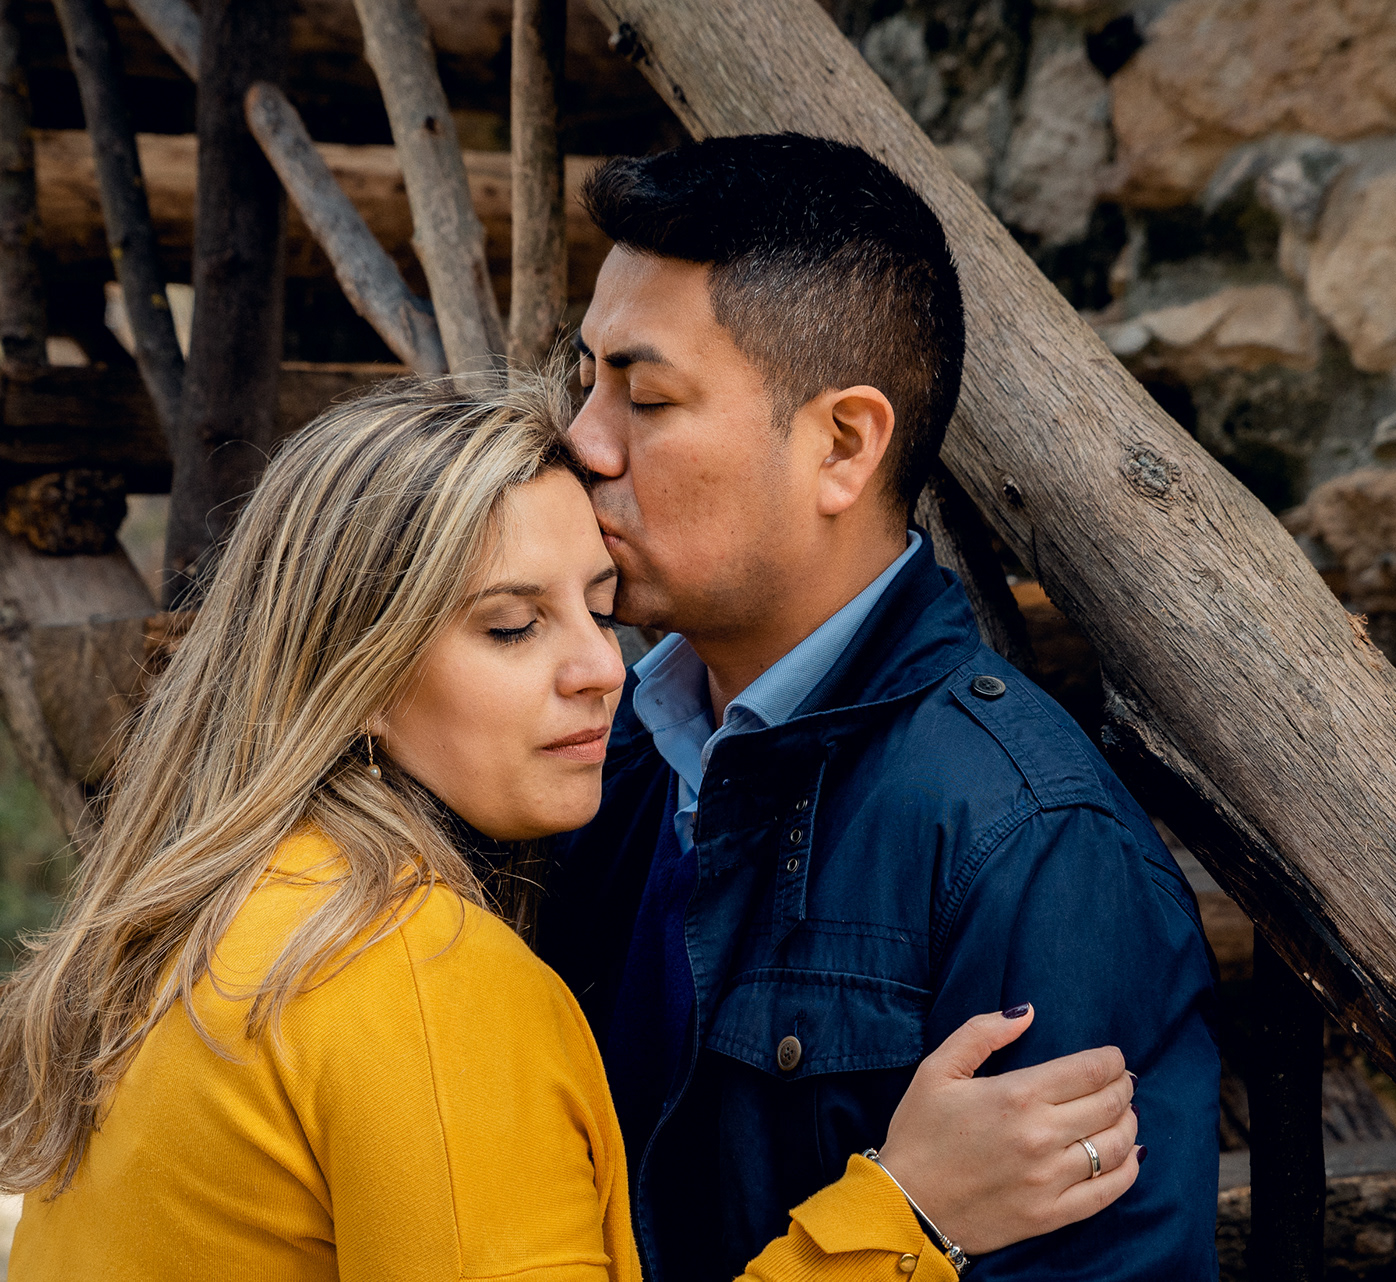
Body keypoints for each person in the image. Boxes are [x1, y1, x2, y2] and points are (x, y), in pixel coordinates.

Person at [0, 376, 1141, 1281]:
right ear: (357, 670)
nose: (603, 670)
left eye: (598, 609)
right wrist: (906, 1213)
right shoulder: (413, 973)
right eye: (511, 626)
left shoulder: (233, 906)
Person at [545, 133, 1221, 1282]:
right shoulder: (602, 754)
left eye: (645, 396)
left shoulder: (1025, 843)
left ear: (844, 446)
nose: (583, 441)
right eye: (585, 380)